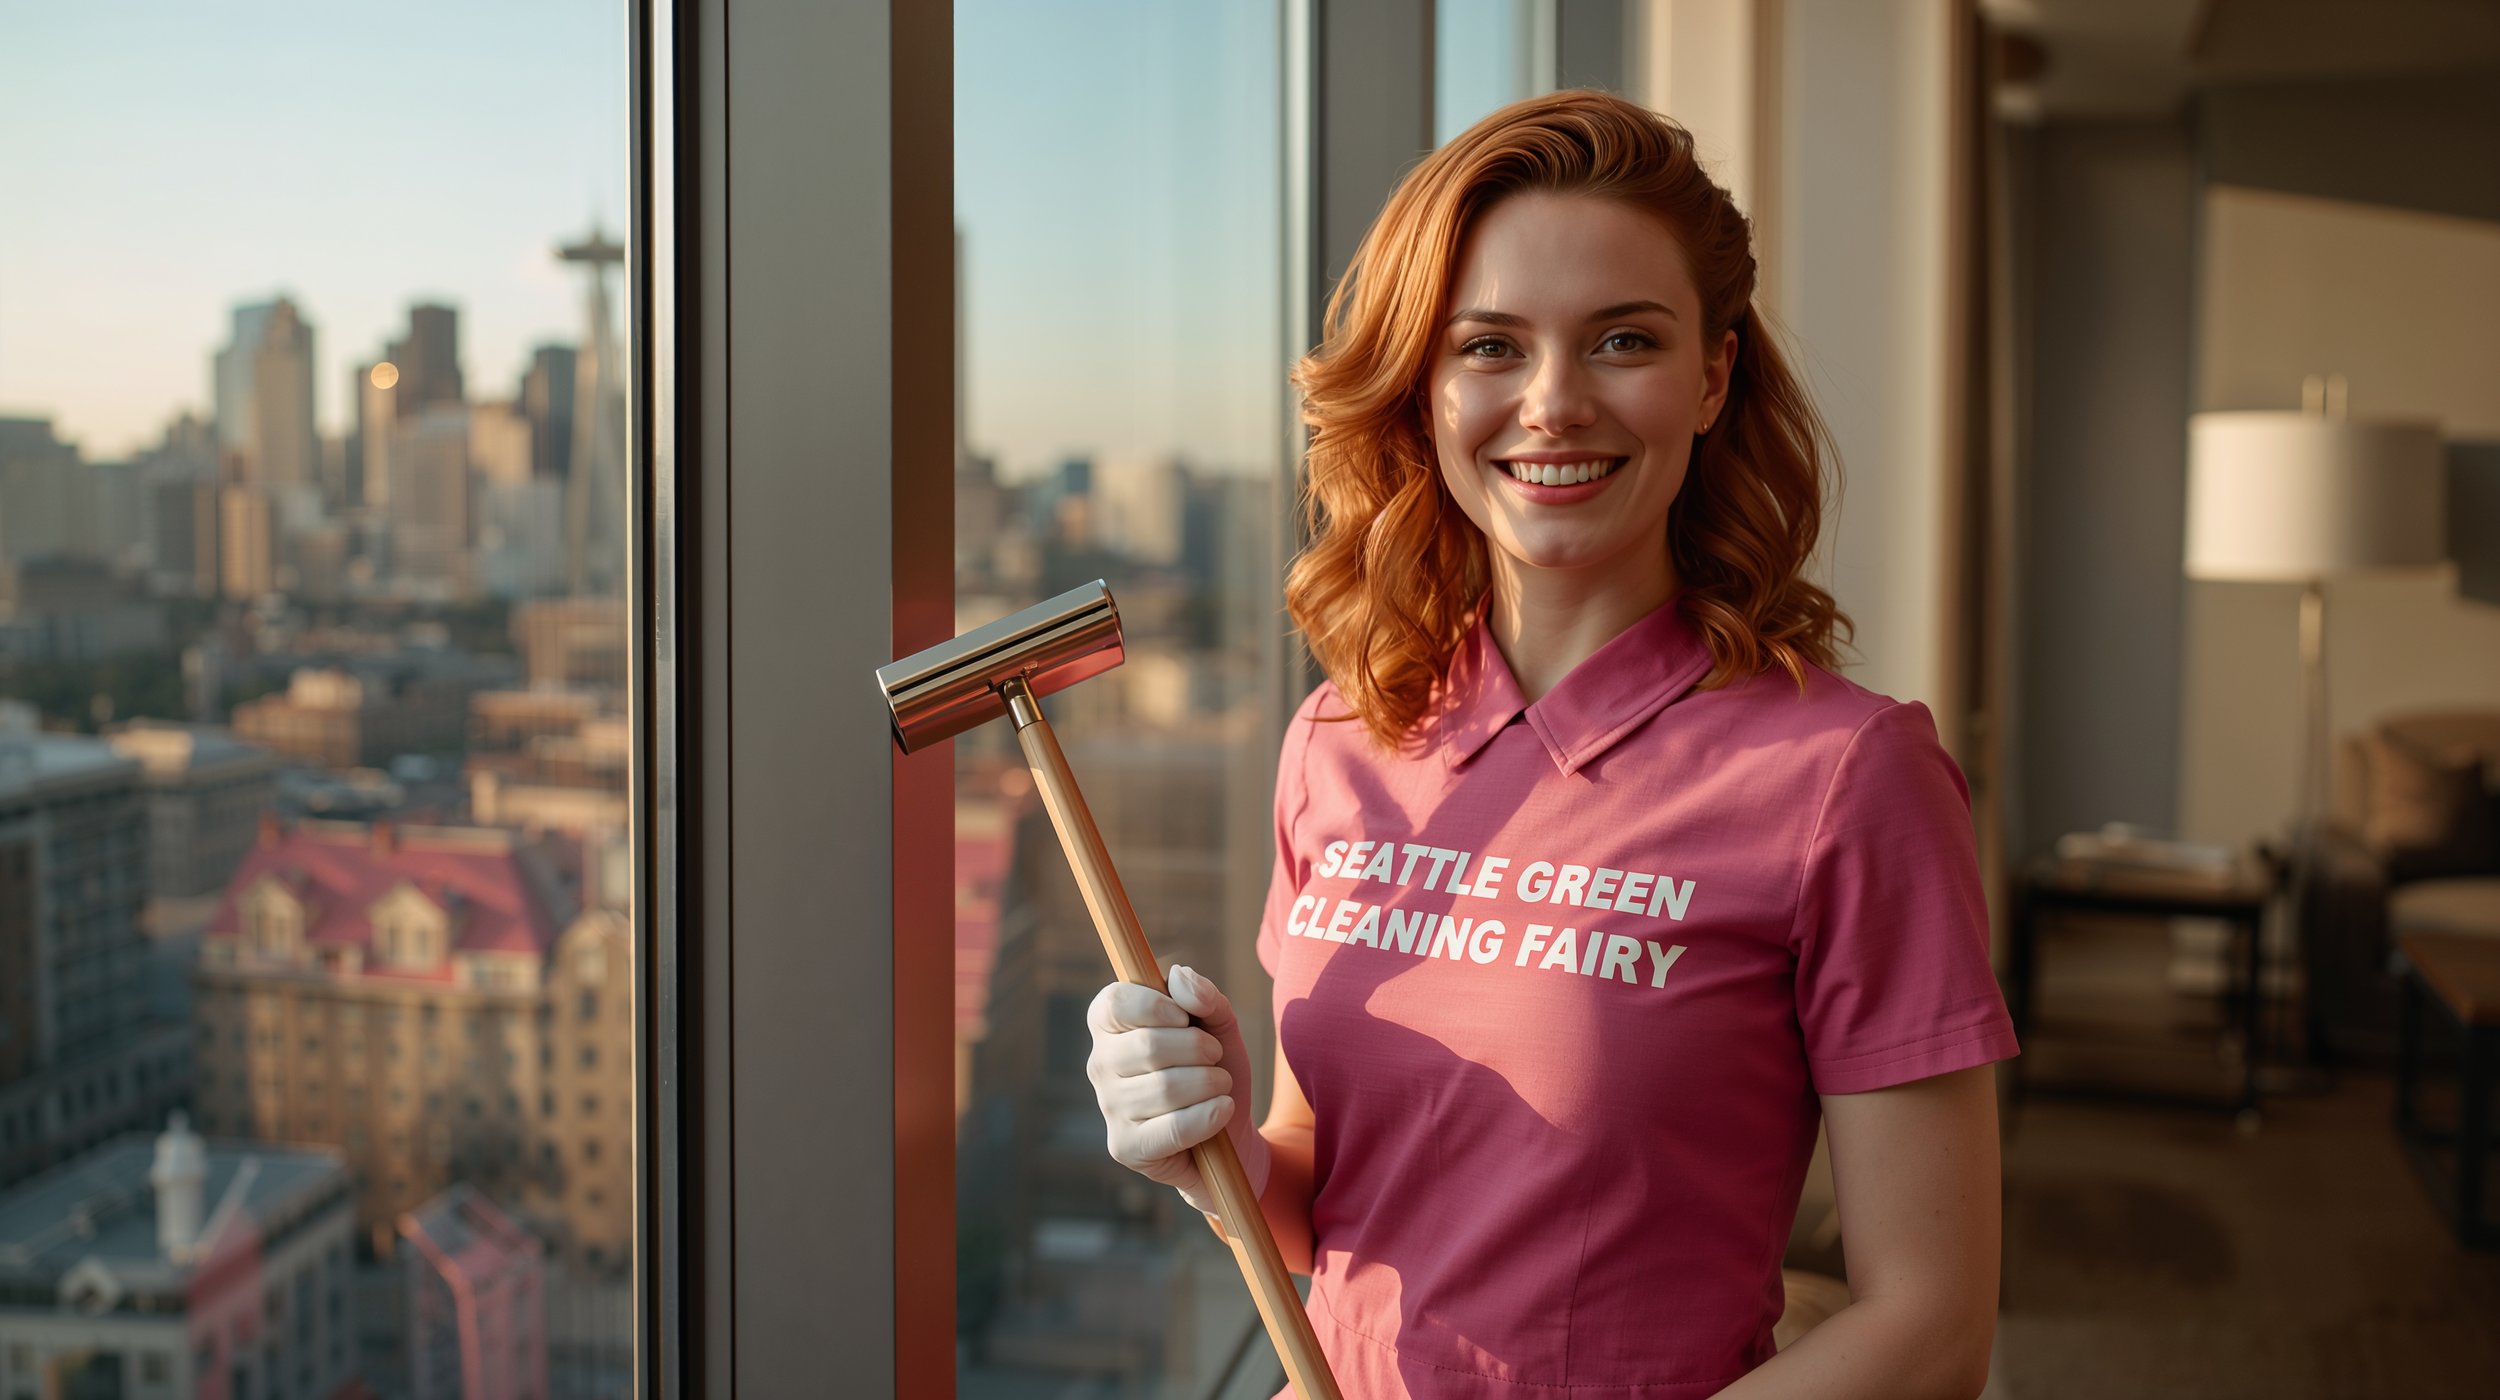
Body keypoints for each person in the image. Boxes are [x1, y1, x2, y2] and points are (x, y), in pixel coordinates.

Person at [1085, 89, 2018, 1400]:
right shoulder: (1339, 740)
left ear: (1711, 376)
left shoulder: (1850, 778)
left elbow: (1930, 1334)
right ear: (1422, 388)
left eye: (1622, 340)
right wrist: (1210, 1143)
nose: (1554, 402)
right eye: (1490, 347)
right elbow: (1320, 1209)